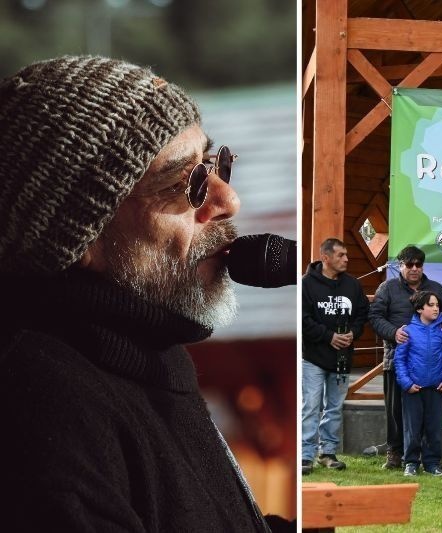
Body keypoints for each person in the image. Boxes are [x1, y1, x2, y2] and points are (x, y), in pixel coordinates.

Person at [0, 56, 292, 531]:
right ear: (79, 238)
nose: (227, 201)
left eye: (214, 164)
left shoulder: (140, 349)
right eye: (187, 183)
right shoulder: (43, 417)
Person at [369, 245, 442, 470]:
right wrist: (393, 332)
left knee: (429, 414)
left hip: (430, 365)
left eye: (419, 264)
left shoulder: (435, 288)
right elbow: (375, 316)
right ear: (400, 265)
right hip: (395, 360)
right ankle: (395, 453)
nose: (415, 268)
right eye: (409, 264)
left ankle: (430, 458)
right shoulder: (387, 288)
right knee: (396, 412)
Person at [302, 238, 369, 474]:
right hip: (313, 358)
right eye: (341, 255)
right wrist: (328, 336)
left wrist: (353, 333)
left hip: (342, 358)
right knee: (310, 406)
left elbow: (362, 314)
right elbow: (303, 319)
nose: (347, 259)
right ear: (326, 257)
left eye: (347, 255)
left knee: (334, 407)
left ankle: (328, 453)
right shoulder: (306, 285)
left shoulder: (352, 285)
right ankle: (305, 456)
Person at [394, 291, 442, 477]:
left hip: (436, 389)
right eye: (431, 305)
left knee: (433, 428)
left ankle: (432, 463)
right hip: (413, 390)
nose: (436, 308)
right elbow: (400, 361)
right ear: (420, 308)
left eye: (437, 305)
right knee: (412, 428)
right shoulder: (407, 332)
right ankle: (411, 462)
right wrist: (406, 383)